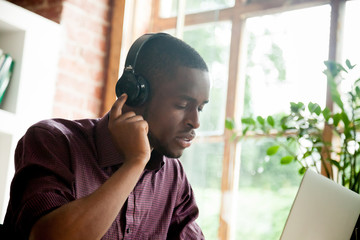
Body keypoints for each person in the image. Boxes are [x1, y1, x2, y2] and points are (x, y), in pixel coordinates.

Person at [2, 32, 210, 239]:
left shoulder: (173, 177)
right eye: (182, 105)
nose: (195, 121)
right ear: (135, 94)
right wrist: (134, 163)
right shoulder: (53, 141)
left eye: (200, 108)